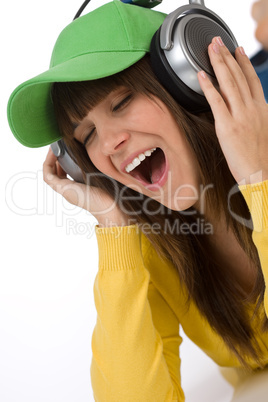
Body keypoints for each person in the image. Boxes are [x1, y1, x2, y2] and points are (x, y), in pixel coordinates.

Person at [7, 1, 268, 400]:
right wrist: (114, 226)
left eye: (123, 101)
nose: (110, 144)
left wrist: (257, 175)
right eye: (87, 135)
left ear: (186, 83)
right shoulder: (153, 246)